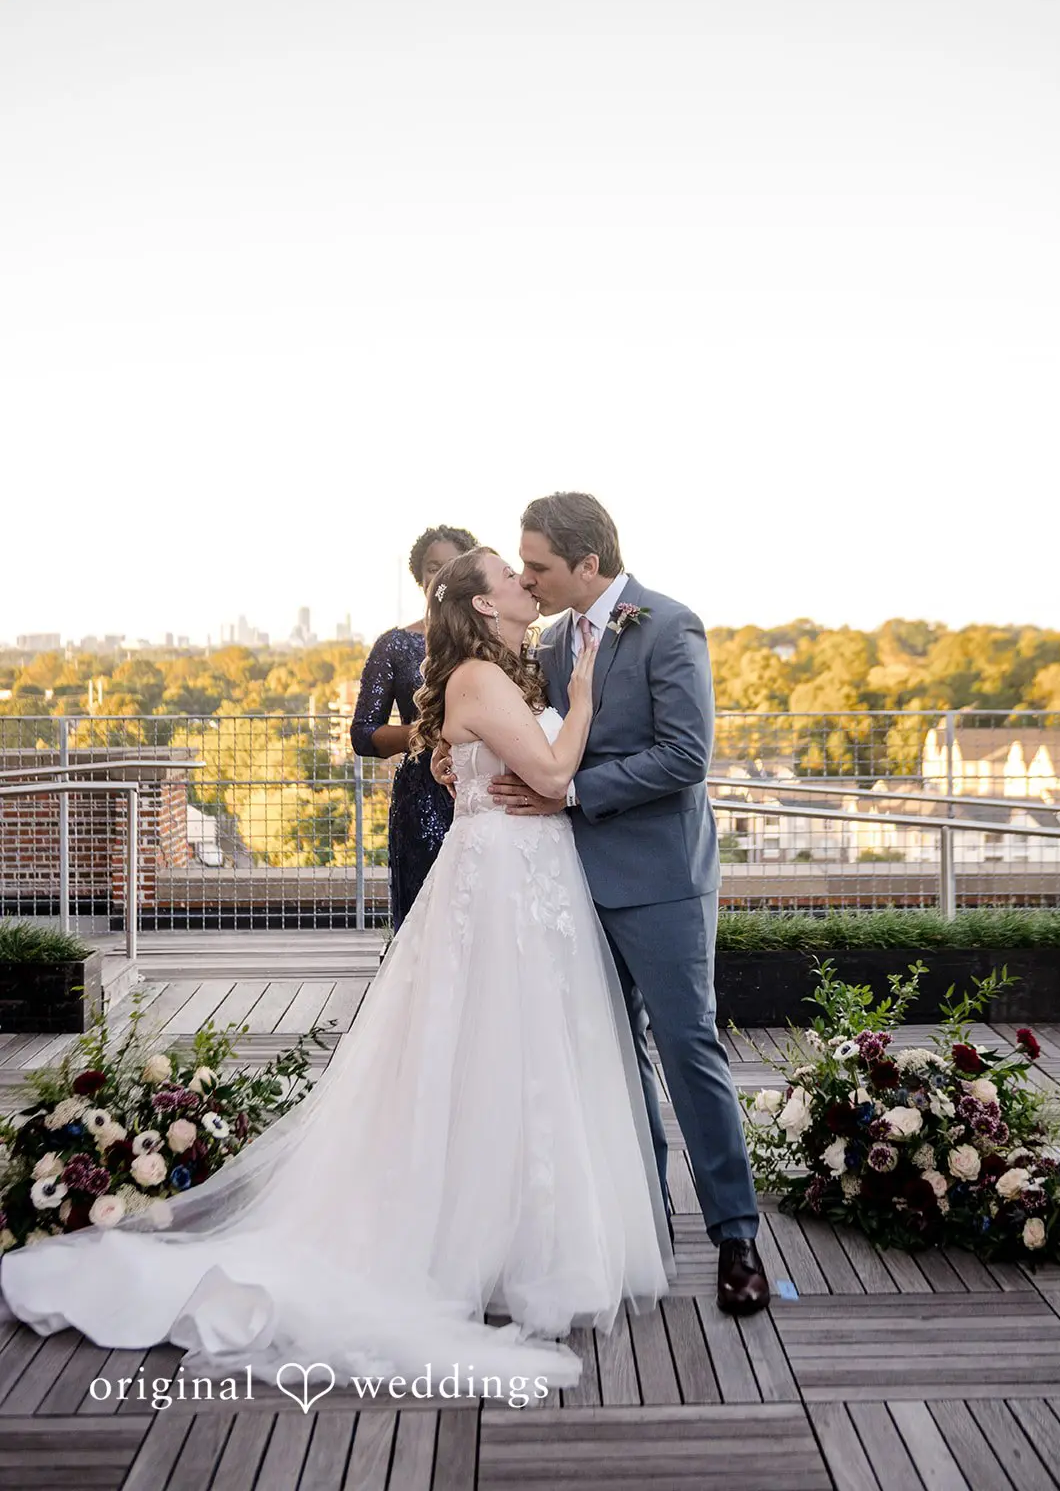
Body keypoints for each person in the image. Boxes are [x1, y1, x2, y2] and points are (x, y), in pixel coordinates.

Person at [1, 548, 672, 1397]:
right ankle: (476, 1248)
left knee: (522, 1058)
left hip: (525, 882)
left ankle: (512, 1241)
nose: (521, 582)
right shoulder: (478, 676)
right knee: (499, 1052)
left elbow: (473, 762)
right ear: (479, 598)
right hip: (503, 886)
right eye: (509, 573)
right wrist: (579, 703)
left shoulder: (500, 673)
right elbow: (550, 772)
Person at [473, 492, 769, 1313]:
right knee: (610, 1053)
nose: (527, 578)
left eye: (537, 565)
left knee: (686, 1049)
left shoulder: (670, 625)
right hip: (569, 884)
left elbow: (685, 755)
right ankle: (642, 1220)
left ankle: (735, 1235)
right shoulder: (554, 639)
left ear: (588, 564)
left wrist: (570, 797)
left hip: (663, 881)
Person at [351, 524, 477, 931]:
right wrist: (427, 734)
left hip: (483, 790)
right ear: (420, 577)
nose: (438, 576)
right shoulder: (394, 645)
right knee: (425, 921)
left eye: (451, 566)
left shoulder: (492, 641)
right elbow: (363, 734)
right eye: (431, 568)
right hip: (421, 796)